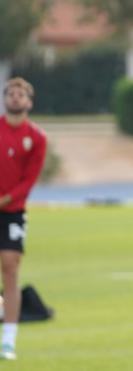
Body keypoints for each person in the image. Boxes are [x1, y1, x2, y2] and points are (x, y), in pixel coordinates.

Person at [0, 78, 47, 361]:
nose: (15, 98)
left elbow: (29, 180)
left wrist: (4, 199)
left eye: (21, 94)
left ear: (29, 102)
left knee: (11, 266)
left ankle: (9, 339)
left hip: (13, 210)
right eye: (10, 93)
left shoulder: (37, 138)